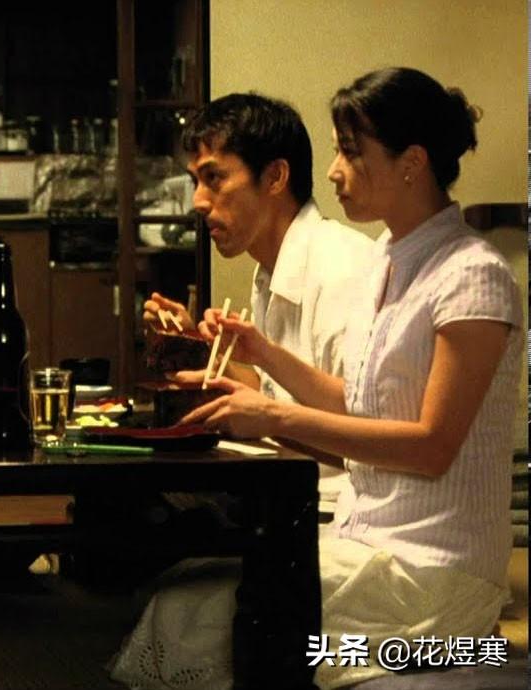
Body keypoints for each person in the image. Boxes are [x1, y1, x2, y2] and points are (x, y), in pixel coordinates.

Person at [123, 68, 522, 689]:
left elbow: (433, 445)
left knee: (225, 617)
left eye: (351, 152)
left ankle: (469, 651)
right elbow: (358, 403)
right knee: (187, 602)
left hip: (435, 562)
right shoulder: (390, 260)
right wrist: (262, 353)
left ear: (412, 163)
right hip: (366, 536)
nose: (334, 171)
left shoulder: (473, 273)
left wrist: (273, 414)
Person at [144, 93, 373, 406]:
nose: (197, 201)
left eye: (213, 177)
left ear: (275, 177)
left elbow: (359, 417)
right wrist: (191, 346)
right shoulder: (270, 269)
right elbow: (274, 395)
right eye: (196, 181)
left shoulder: (344, 269)